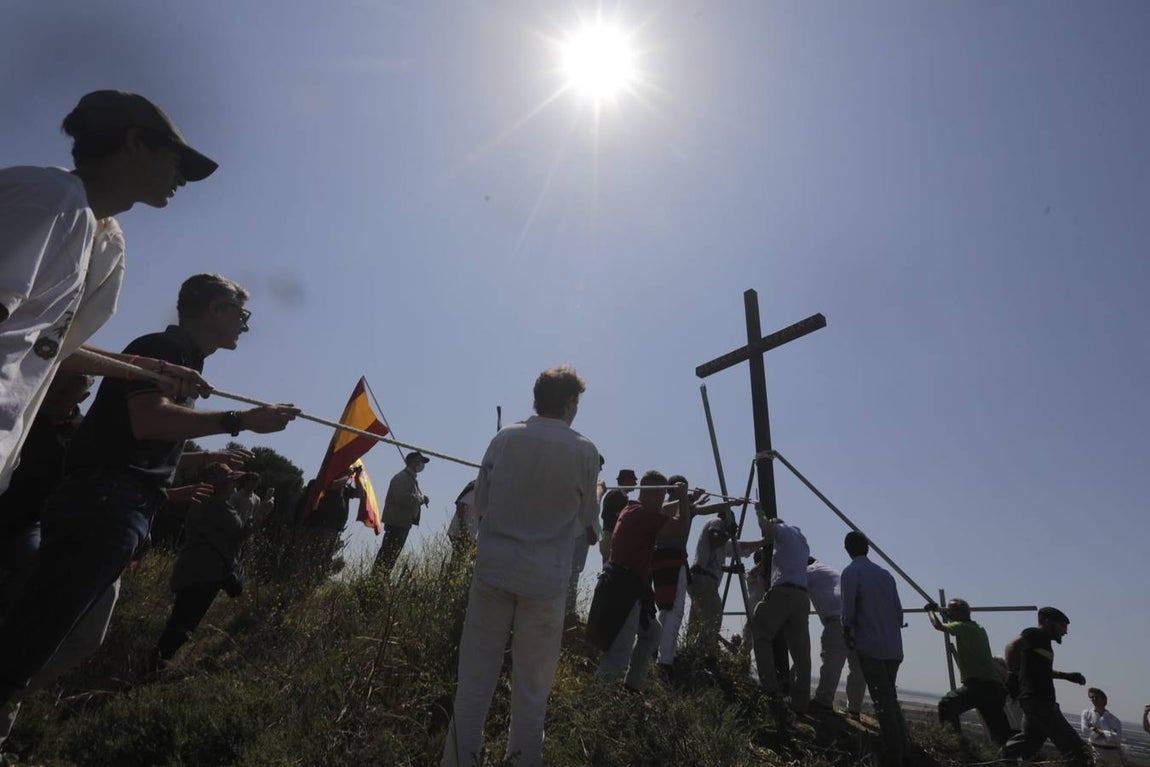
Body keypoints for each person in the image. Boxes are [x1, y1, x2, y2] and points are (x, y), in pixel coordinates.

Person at [0, 274, 298, 709]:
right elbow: (149, 420)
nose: (245, 325)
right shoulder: (165, 349)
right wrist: (243, 420)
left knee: (76, 636)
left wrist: (196, 459)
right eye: (241, 313)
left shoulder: (181, 357)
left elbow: (134, 437)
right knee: (35, 632)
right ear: (215, 310)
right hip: (106, 505)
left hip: (121, 506)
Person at [1, 89, 216, 495]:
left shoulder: (95, 233)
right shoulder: (49, 200)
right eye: (176, 161)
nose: (182, 179)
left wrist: (147, 370)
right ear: (134, 143)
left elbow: (45, 345)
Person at [440, 366, 599, 767]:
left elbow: (482, 505)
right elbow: (587, 524)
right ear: (569, 403)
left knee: (474, 684)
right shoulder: (585, 451)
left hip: (493, 572)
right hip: (545, 585)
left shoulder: (504, 437)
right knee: (531, 692)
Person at [592, 471, 688, 691]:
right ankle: (596, 701)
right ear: (654, 495)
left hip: (625, 587)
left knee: (652, 633)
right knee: (618, 656)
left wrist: (684, 499)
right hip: (624, 590)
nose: (664, 499)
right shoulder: (643, 516)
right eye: (663, 494)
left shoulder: (633, 509)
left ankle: (632, 687)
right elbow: (680, 527)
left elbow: (662, 511)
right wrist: (683, 498)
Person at [152, 463, 253, 668]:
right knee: (183, 626)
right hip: (204, 575)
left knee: (180, 622)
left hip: (192, 571)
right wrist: (261, 514)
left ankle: (155, 664)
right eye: (230, 482)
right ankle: (152, 668)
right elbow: (240, 532)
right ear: (221, 485)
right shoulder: (217, 505)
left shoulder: (203, 503)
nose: (234, 486)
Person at [841, 531, 907, 765]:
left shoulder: (851, 572)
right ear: (867, 548)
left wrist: (846, 630)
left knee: (882, 701)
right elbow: (899, 613)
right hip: (893, 646)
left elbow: (848, 609)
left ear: (847, 549)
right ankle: (904, 747)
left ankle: (895, 754)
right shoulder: (885, 575)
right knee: (890, 697)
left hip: (871, 644)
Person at [652, 475, 730, 675]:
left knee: (667, 608)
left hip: (664, 560)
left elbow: (703, 510)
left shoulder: (680, 506)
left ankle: (658, 651)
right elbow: (680, 509)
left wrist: (729, 503)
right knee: (673, 610)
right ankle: (665, 661)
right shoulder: (666, 507)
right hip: (671, 560)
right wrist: (687, 499)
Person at [1001, 607, 1089, 766]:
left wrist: (1068, 676)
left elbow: (1044, 672)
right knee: (1076, 749)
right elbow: (1011, 646)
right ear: (1047, 621)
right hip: (1039, 701)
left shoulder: (1045, 644)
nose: (1065, 632)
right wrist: (1012, 675)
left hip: (1035, 701)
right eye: (1062, 626)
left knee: (1030, 741)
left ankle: (1005, 756)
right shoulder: (1035, 634)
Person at [925, 598, 1012, 745]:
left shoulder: (963, 627)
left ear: (961, 612)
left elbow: (938, 626)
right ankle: (1008, 760)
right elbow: (949, 624)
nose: (948, 612)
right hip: (994, 688)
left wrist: (930, 611)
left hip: (980, 685)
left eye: (951, 610)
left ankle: (955, 747)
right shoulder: (977, 628)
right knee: (999, 730)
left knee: (947, 705)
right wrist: (943, 614)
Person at [749, 518, 812, 716]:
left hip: (784, 591)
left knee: (760, 633)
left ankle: (770, 691)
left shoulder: (783, 530)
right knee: (801, 654)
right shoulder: (801, 539)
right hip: (802, 596)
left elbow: (767, 527)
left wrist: (760, 514)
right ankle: (800, 703)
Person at [686, 514, 758, 659]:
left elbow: (732, 551)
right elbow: (715, 539)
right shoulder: (717, 523)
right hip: (704, 579)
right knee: (714, 618)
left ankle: (690, 652)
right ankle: (702, 654)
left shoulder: (721, 542)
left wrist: (730, 569)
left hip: (701, 578)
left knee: (697, 621)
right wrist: (728, 533)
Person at [807, 556, 866, 718]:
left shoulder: (810, 570)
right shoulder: (830, 570)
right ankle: (854, 708)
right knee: (857, 668)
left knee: (832, 661)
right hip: (859, 620)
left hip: (837, 620)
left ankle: (823, 702)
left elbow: (793, 586)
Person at [373, 452, 430, 575]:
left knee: (391, 555)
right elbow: (402, 498)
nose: (421, 465)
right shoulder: (402, 478)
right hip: (396, 522)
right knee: (388, 554)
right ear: (412, 462)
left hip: (403, 522)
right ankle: (376, 579)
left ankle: (381, 579)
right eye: (419, 461)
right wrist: (421, 499)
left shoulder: (411, 479)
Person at [599, 468, 636, 560]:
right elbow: (617, 516)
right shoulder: (616, 495)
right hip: (610, 535)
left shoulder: (620, 496)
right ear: (625, 480)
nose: (635, 484)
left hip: (612, 535)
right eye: (632, 480)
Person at [1081, 688, 1124, 766]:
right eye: (1091, 697)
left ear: (1104, 700)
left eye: (1096, 697)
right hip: (1095, 751)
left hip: (1112, 754)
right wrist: (1108, 733)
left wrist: (1096, 730)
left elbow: (1117, 738)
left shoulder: (1114, 720)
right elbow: (1085, 731)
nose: (1094, 699)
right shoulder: (1086, 713)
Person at [447, 480, 478, 560]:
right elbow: (460, 506)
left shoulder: (481, 494)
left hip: (467, 534)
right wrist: (463, 528)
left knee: (461, 559)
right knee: (459, 558)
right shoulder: (474, 490)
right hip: (460, 532)